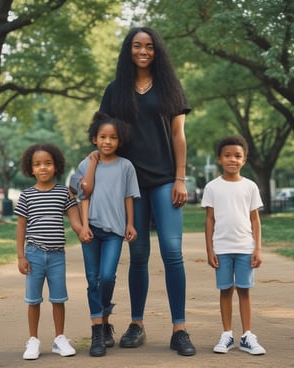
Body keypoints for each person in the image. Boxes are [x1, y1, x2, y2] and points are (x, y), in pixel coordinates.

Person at [98, 26, 196, 356]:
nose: (143, 51)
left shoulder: (170, 87)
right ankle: (136, 324)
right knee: (138, 255)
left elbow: (179, 136)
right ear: (129, 50)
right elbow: (104, 135)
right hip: (130, 186)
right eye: (137, 46)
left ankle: (179, 329)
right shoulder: (115, 91)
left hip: (167, 180)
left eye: (149, 46)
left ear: (157, 51)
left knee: (172, 253)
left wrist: (180, 178)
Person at [70, 111, 140, 357]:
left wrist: (130, 224)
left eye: (113, 138)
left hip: (114, 232)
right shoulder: (84, 164)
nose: (107, 141)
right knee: (93, 279)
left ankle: (104, 316)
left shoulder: (126, 166)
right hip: (91, 230)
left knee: (107, 277)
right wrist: (84, 226)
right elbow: (83, 193)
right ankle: (98, 331)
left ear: (119, 141)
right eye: (103, 137)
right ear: (94, 139)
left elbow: (129, 197)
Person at [15, 143, 82, 360]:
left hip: (56, 256)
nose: (43, 167)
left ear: (56, 166)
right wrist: (20, 256)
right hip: (33, 254)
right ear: (30, 169)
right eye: (37, 164)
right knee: (33, 300)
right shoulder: (26, 195)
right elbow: (21, 226)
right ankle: (33, 340)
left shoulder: (63, 193)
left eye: (48, 163)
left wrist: (83, 231)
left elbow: (74, 219)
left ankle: (59, 339)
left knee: (58, 298)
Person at [201, 135, 266, 355]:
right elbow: (209, 219)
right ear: (219, 159)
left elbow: (255, 220)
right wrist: (210, 249)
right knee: (226, 290)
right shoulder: (212, 187)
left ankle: (247, 335)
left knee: (245, 291)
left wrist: (257, 248)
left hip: (245, 248)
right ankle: (227, 334)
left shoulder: (250, 187)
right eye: (227, 155)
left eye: (237, 156)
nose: (232, 160)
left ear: (244, 160)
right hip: (222, 249)